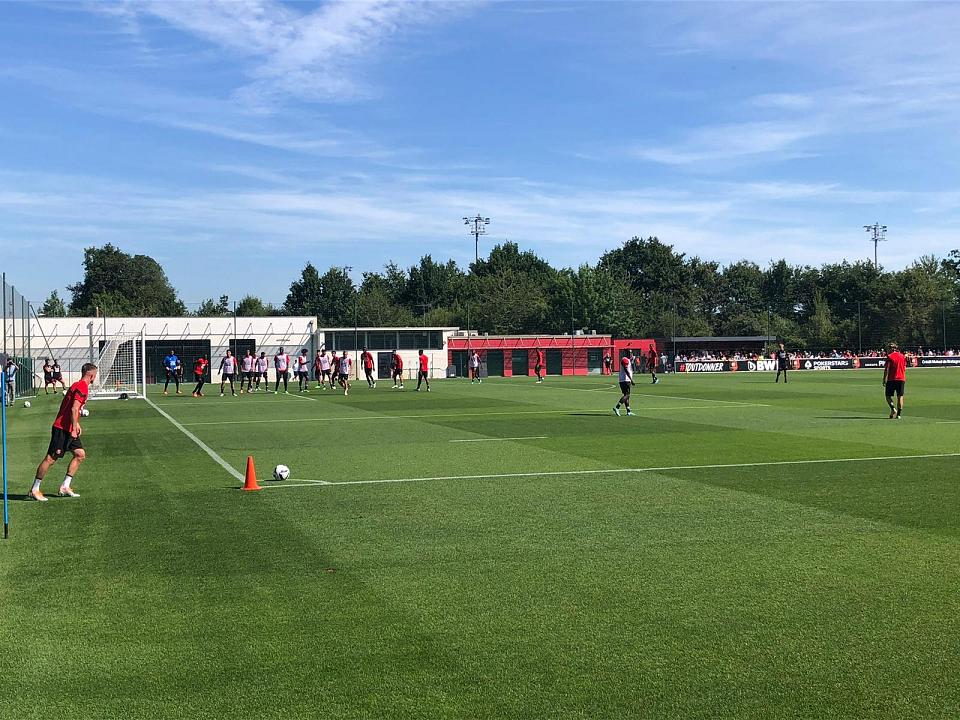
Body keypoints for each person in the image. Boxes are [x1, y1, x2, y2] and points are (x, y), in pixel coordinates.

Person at [28, 362, 97, 501]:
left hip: (70, 427)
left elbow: (73, 408)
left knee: (80, 454)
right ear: (91, 375)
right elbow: (73, 409)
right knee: (50, 459)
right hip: (62, 428)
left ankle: (65, 486)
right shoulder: (82, 386)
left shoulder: (77, 384)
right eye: (94, 375)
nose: (94, 378)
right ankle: (34, 489)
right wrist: (73, 427)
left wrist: (76, 424)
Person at [883, 341, 907, 419]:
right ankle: (899, 414)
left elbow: (886, 369)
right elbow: (904, 367)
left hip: (891, 379)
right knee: (900, 397)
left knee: (888, 396)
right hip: (901, 378)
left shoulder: (889, 356)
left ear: (892, 348)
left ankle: (893, 409)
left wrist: (884, 379)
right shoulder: (902, 356)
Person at [613, 350, 635, 417]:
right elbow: (626, 370)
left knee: (626, 395)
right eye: (630, 353)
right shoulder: (624, 360)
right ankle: (617, 407)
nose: (631, 354)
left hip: (624, 380)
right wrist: (631, 379)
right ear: (627, 353)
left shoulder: (627, 359)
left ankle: (628, 411)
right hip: (625, 380)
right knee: (627, 395)